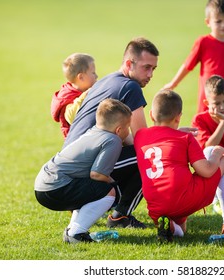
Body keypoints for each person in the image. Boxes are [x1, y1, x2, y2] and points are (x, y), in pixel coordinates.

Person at [63, 37, 159, 229]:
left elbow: (127, 139)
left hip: (69, 167)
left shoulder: (108, 80)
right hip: (84, 171)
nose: (150, 74)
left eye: (153, 69)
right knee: (149, 158)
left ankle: (95, 203)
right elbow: (143, 140)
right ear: (129, 63)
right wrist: (172, 137)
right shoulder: (130, 87)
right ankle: (120, 216)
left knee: (137, 155)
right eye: (146, 67)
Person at [134, 90, 224, 242]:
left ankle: (170, 226)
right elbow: (207, 171)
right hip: (182, 197)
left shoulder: (140, 136)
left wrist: (174, 132)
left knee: (182, 230)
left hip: (156, 207)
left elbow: (162, 138)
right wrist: (216, 155)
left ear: (151, 115)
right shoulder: (185, 137)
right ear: (178, 118)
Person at [35, 99, 132, 243]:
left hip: (42, 186)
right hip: (55, 187)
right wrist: (113, 183)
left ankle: (72, 231)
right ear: (118, 130)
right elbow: (97, 174)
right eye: (128, 127)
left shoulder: (93, 131)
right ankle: (76, 234)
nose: (128, 131)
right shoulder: (113, 139)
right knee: (108, 192)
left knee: (90, 189)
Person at [163, 0, 224, 121]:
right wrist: (173, 83)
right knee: (205, 122)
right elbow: (188, 65)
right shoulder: (203, 42)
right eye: (218, 21)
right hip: (208, 94)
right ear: (208, 22)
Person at [51, 53, 98, 138]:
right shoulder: (67, 97)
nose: (96, 76)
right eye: (93, 73)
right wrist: (85, 95)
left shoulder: (80, 90)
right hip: (77, 142)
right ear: (81, 77)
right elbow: (71, 117)